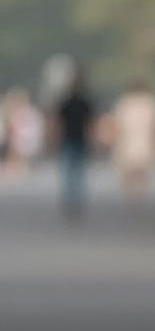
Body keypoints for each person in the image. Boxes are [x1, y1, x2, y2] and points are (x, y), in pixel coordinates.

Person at [111, 79, 155, 198]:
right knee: (142, 175)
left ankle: (130, 197)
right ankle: (140, 197)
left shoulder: (125, 103)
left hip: (127, 143)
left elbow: (117, 125)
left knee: (128, 175)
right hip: (146, 143)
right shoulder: (151, 103)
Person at [54, 66, 95, 218]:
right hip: (80, 140)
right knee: (79, 174)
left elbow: (58, 124)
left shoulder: (66, 102)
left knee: (68, 174)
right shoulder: (85, 103)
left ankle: (70, 202)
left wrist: (54, 141)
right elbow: (90, 125)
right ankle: (77, 202)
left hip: (68, 140)